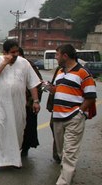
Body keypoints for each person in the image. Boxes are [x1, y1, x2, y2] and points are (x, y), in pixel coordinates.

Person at [0, 40, 41, 174]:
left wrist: (36, 101)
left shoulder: (24, 63)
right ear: (5, 52)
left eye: (17, 51)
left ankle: (13, 160)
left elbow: (32, 83)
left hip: (17, 106)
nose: (15, 55)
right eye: (12, 52)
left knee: (16, 133)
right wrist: (4, 62)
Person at [47, 44, 96, 185]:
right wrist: (50, 88)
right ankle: (68, 174)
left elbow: (91, 96)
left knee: (69, 152)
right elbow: (58, 90)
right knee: (62, 151)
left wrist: (80, 112)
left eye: (57, 55)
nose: (55, 58)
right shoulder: (60, 72)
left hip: (73, 118)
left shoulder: (83, 73)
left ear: (65, 56)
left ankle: (63, 181)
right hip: (57, 118)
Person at [18, 48, 43, 157]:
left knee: (28, 127)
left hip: (27, 104)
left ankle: (25, 148)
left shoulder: (29, 67)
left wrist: (34, 101)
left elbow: (36, 85)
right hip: (15, 103)